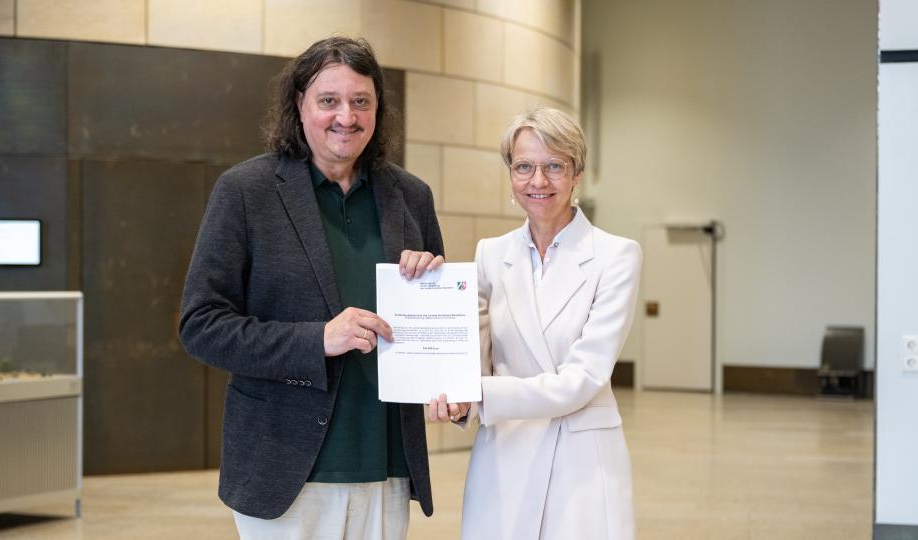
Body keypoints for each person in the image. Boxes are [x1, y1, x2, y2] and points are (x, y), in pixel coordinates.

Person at [179, 36, 463, 540]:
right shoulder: (246, 192)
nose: (346, 117)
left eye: (361, 102)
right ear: (299, 105)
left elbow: (438, 332)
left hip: (387, 466)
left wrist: (453, 385)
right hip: (286, 474)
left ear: (378, 111)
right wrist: (317, 340)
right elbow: (201, 325)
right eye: (328, 100)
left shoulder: (411, 196)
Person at [461, 107, 642, 540]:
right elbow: (474, 363)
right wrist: (456, 395)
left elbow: (584, 377)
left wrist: (480, 395)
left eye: (554, 166)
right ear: (510, 173)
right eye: (524, 166)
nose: (537, 182)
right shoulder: (490, 254)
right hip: (504, 458)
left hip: (580, 460)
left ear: (577, 172)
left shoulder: (616, 256)